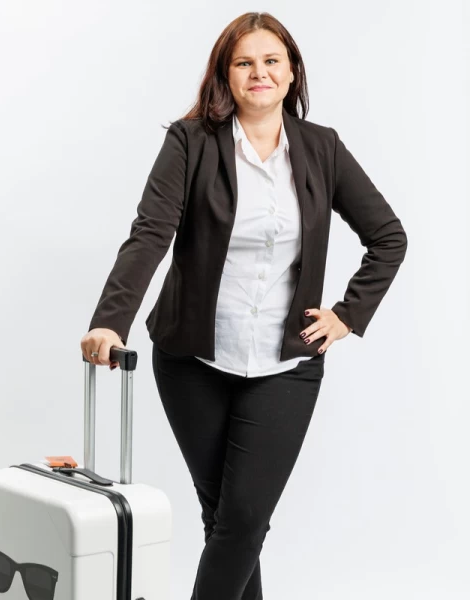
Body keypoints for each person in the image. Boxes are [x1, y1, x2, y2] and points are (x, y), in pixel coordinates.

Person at [80, 11, 407, 600]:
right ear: (225, 75)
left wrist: (347, 315)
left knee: (243, 521)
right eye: (244, 62)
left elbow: (388, 236)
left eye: (271, 60)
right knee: (228, 523)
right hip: (192, 361)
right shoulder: (190, 142)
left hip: (286, 365)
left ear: (291, 71)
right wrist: (110, 321)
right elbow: (150, 233)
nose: (260, 72)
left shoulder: (323, 148)